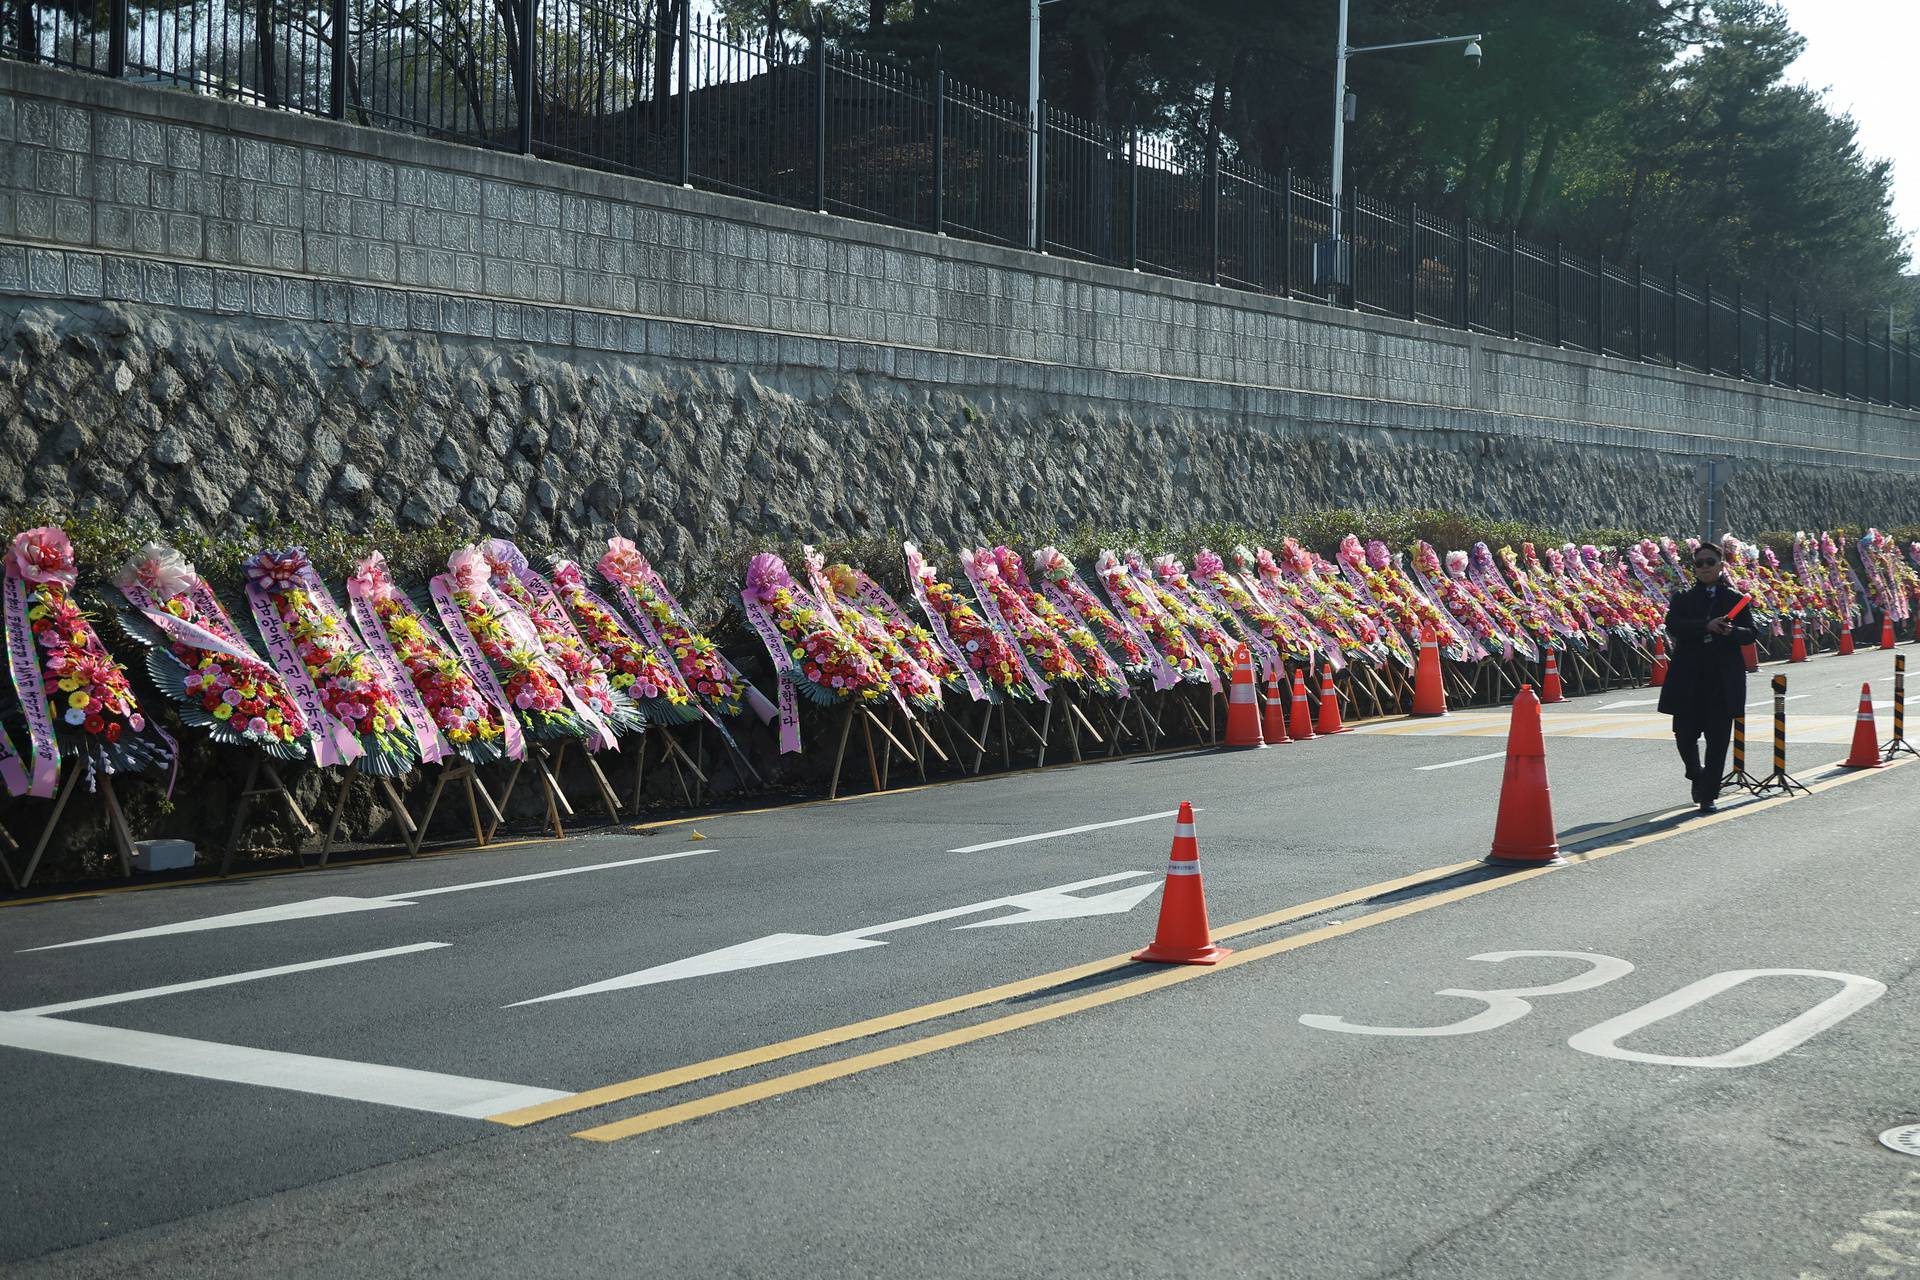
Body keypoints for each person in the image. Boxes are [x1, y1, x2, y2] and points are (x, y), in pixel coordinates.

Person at [1658, 541, 1758, 813]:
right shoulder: (1683, 599)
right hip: (1689, 679)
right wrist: (1705, 625)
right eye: (1699, 563)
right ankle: (1696, 774)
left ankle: (1709, 793)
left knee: (1718, 740)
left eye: (1709, 562)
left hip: (1723, 681)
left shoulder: (1736, 599)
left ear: (1721, 565)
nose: (1704, 567)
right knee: (1684, 735)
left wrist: (1730, 631)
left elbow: (1750, 634)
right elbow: (1674, 626)